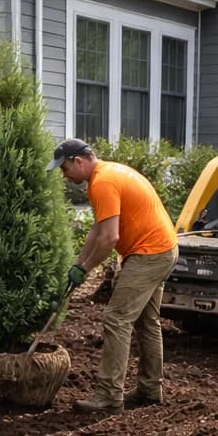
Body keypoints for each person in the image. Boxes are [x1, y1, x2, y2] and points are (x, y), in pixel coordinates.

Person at [48, 138, 180, 413]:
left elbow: (110, 238)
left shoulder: (103, 183)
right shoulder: (107, 174)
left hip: (150, 253)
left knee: (116, 318)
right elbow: (97, 230)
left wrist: (85, 269)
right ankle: (150, 389)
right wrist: (78, 262)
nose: (64, 175)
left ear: (78, 161)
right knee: (147, 320)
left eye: (64, 169)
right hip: (163, 249)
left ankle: (109, 396)